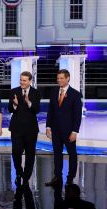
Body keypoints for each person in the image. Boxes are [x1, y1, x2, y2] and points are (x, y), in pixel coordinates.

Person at [45, 69, 82, 201]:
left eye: (61, 78)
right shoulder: (54, 92)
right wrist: (48, 126)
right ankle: (57, 177)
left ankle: (70, 178)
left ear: (68, 79)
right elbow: (50, 111)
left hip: (69, 131)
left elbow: (77, 115)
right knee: (57, 153)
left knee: (72, 154)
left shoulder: (75, 94)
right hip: (55, 130)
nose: (59, 80)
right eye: (58, 78)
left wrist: (75, 131)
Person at [8, 71, 41, 209]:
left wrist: (28, 102)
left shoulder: (35, 93)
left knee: (30, 154)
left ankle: (26, 177)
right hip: (16, 128)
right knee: (16, 151)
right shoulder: (14, 91)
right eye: (21, 80)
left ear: (30, 81)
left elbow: (36, 110)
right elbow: (10, 109)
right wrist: (14, 104)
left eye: (24, 80)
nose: (22, 82)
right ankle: (19, 172)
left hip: (30, 129)